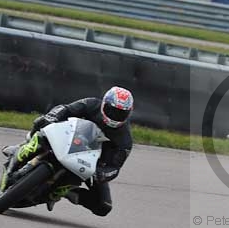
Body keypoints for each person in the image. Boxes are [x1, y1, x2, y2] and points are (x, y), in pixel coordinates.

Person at [7, 86, 134, 216]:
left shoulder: (125, 140)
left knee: (104, 206)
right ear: (104, 104)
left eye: (120, 113)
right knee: (41, 122)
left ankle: (67, 192)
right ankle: (22, 146)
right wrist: (52, 117)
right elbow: (65, 109)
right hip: (68, 139)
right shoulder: (91, 103)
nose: (115, 116)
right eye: (112, 110)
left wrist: (101, 174)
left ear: (129, 113)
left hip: (89, 163)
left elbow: (115, 167)